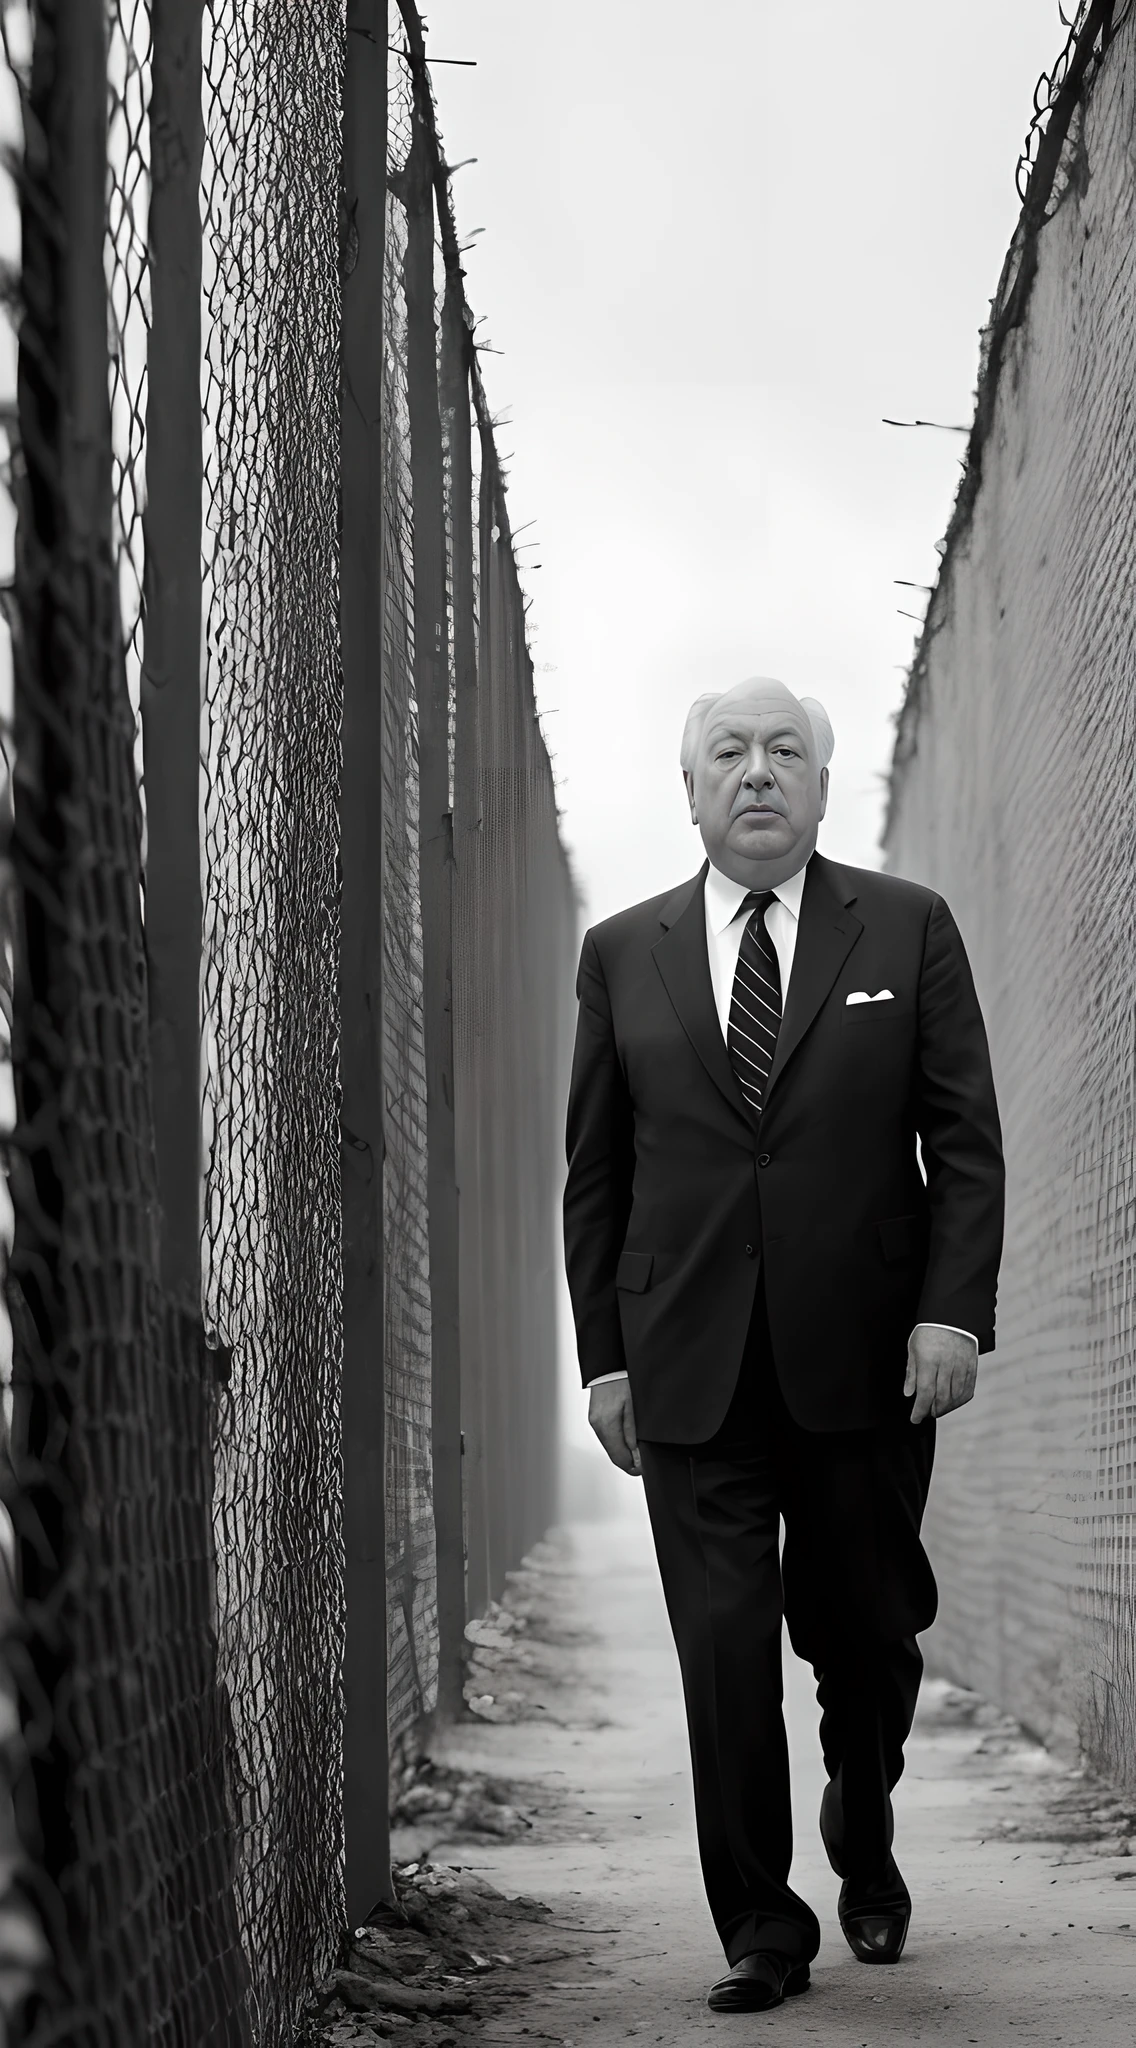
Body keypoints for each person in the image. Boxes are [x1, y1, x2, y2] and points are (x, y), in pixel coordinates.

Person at [562, 676, 1004, 2013]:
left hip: (869, 1356)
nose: (759, 773)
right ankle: (761, 1920)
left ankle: (861, 1827)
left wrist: (952, 1311)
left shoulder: (908, 928)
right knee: (722, 1647)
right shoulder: (620, 951)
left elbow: (964, 1141)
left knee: (866, 1632)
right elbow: (597, 1173)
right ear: (689, 790)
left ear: (823, 783)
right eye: (730, 755)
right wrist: (605, 1357)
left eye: (786, 753)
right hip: (687, 1356)